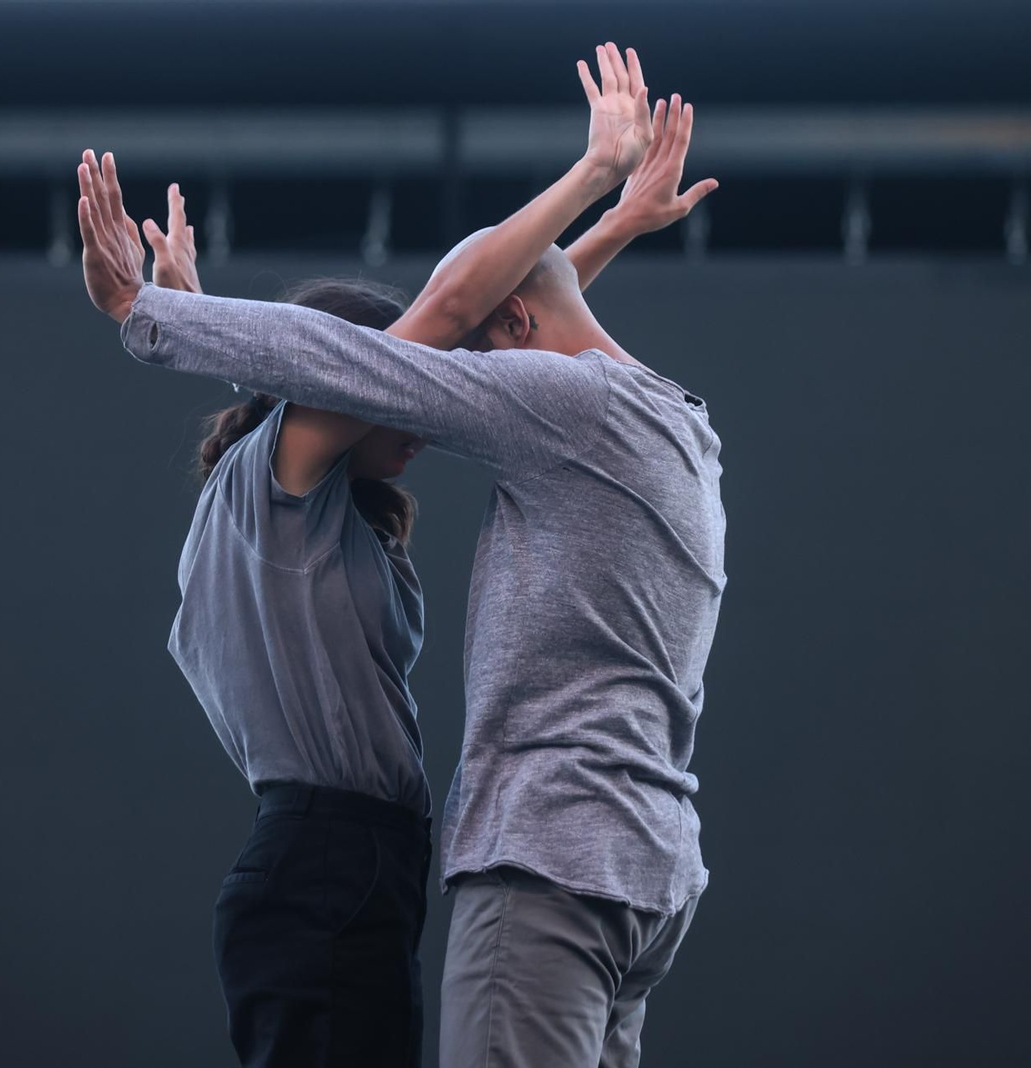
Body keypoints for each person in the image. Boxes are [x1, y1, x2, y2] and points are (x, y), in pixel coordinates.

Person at [102, 42, 715, 1068]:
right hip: (324, 861)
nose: (424, 410)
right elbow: (455, 326)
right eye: (396, 385)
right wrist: (589, 180)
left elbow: (513, 342)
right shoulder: (281, 476)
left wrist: (606, 233)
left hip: (364, 867)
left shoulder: (317, 500)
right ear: (341, 390)